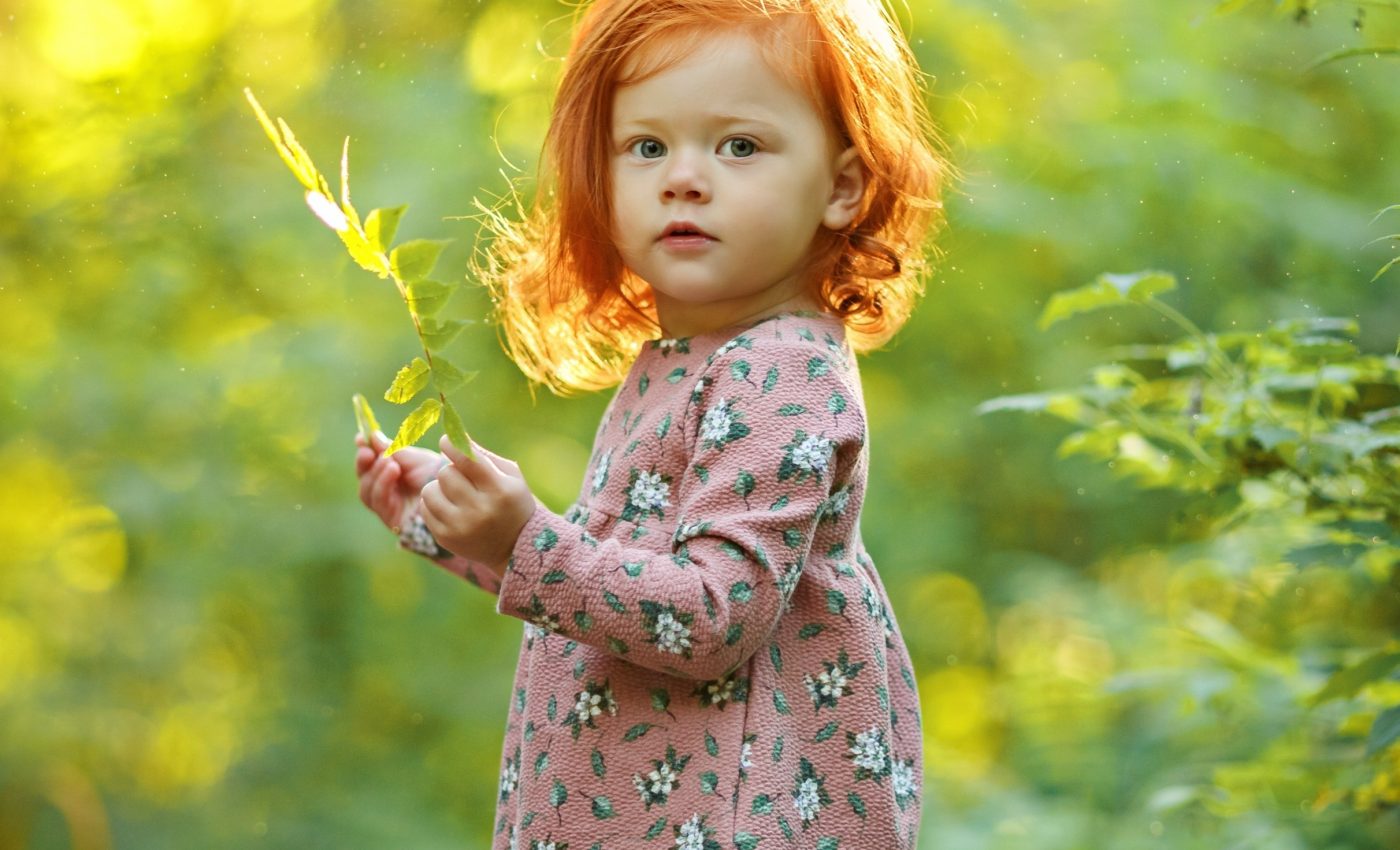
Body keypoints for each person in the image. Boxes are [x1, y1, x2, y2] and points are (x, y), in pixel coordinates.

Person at [354, 0, 948, 846]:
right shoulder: (689, 361)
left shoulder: (777, 371)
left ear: (842, 187)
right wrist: (466, 533)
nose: (684, 176)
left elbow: (710, 617)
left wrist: (526, 542)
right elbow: (619, 594)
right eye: (647, 146)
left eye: (739, 145)